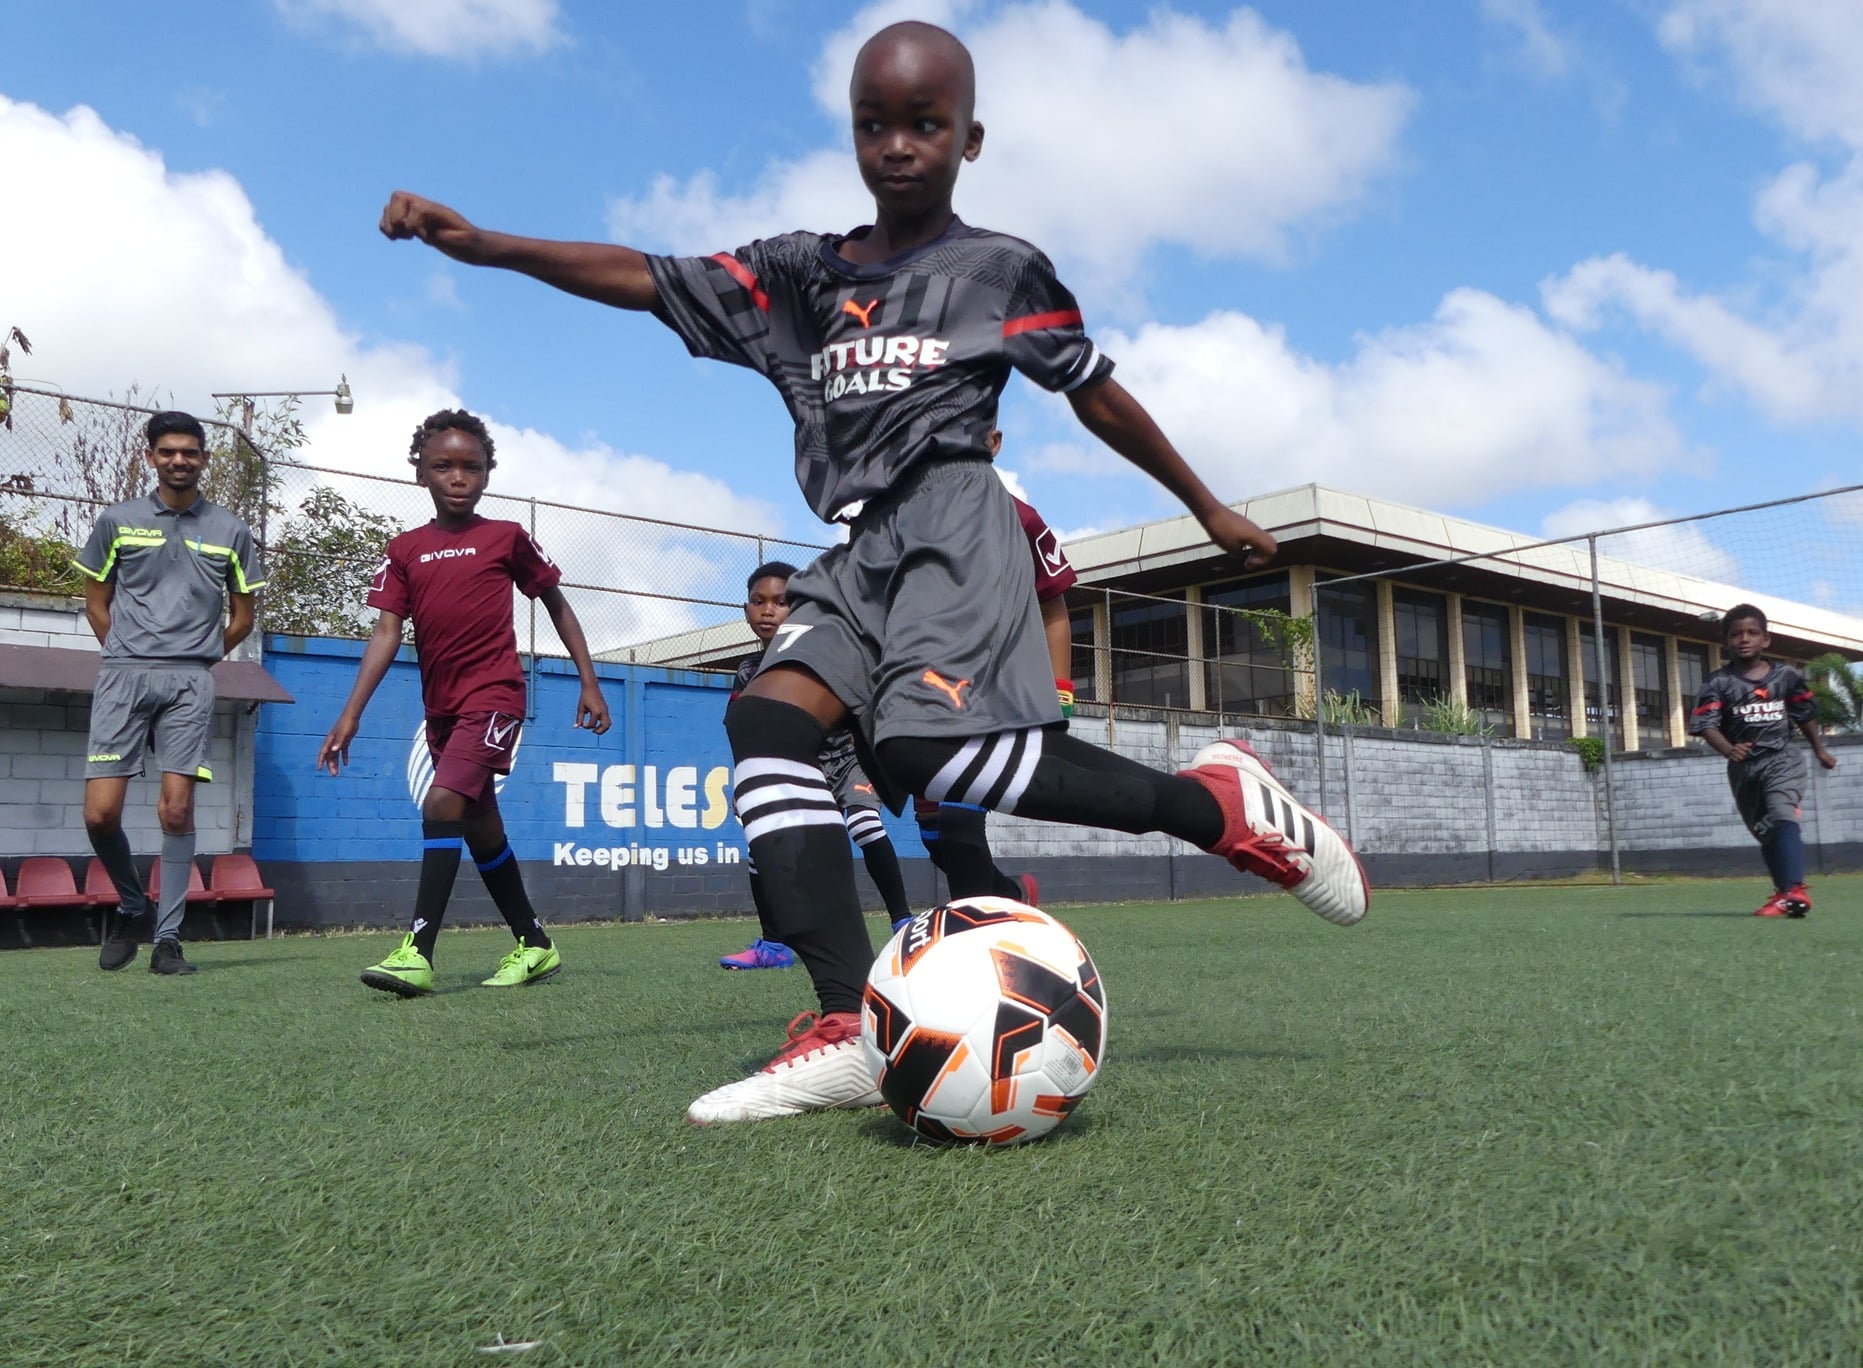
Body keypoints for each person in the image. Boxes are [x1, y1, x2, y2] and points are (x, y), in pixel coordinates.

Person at [377, 18, 1367, 1124]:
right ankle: (846, 1021)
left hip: (953, 518)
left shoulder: (999, 270)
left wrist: (1205, 504)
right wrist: (488, 245)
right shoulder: (799, 275)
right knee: (764, 726)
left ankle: (1212, 807)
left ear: (968, 139)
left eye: (924, 123)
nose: (897, 143)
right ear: (852, 132)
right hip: (855, 547)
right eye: (874, 123)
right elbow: (647, 277)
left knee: (921, 753)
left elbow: (1091, 390)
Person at [317, 410, 612, 993]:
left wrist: (590, 680)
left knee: (441, 803)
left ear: (486, 474)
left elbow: (556, 603)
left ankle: (418, 951)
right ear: (420, 474)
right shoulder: (404, 549)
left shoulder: (505, 537)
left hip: (495, 697)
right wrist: (350, 714)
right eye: (443, 466)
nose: (459, 477)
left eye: (471, 467)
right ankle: (535, 945)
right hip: (442, 710)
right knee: (481, 828)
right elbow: (385, 633)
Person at [75, 410, 263, 976]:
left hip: (190, 680)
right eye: (167, 452)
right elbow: (95, 603)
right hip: (123, 675)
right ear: (151, 457)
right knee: (100, 815)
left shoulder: (231, 530)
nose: (178, 460)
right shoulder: (117, 520)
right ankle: (134, 903)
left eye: (190, 452)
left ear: (204, 459)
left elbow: (243, 616)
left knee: (177, 809)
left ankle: (168, 941)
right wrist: (127, 653)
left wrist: (200, 656)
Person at [718, 560, 913, 969]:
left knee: (864, 825)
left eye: (781, 601)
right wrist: (745, 784)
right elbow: (743, 731)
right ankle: (774, 946)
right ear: (746, 610)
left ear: (802, 606)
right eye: (758, 601)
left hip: (852, 761)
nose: (768, 610)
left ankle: (905, 927)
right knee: (760, 846)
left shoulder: (827, 649)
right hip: (803, 768)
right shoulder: (749, 672)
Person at [914, 442, 1073, 912]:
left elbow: (1054, 607)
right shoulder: (905, 519)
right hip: (925, 694)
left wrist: (1060, 691)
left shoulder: (1021, 519)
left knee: (960, 818)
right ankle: (1011, 895)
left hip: (996, 691)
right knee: (934, 835)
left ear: (994, 442)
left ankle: (978, 935)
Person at [1689, 604, 1838, 918]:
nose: (1744, 639)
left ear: (1765, 640)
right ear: (1726, 642)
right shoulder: (1718, 683)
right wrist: (1729, 750)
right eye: (1736, 634)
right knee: (1766, 830)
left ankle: (1793, 889)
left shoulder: (1786, 676)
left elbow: (1805, 715)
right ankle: (1787, 894)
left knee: (1782, 813)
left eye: (1752, 633)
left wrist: (1818, 750)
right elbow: (1706, 725)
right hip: (1744, 770)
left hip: (1782, 759)